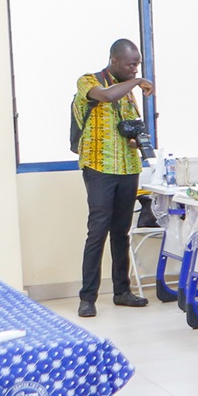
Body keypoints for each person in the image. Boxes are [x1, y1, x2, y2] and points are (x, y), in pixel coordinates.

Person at [74, 38, 153, 318]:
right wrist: (137, 81)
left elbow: (130, 129)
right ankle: (87, 298)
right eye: (131, 64)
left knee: (121, 232)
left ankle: (122, 291)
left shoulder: (129, 93)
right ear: (114, 60)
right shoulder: (88, 81)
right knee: (97, 231)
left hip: (128, 168)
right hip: (99, 167)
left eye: (137, 65)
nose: (134, 69)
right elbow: (106, 97)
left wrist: (136, 141)